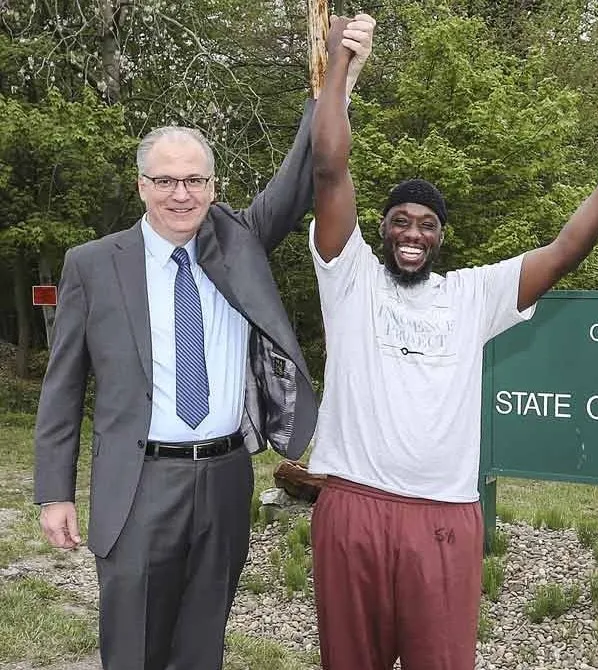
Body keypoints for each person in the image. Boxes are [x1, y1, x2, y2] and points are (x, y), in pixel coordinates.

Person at [31, 17, 375, 670]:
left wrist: (337, 83)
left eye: (195, 180)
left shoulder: (237, 244)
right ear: (141, 186)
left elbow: (301, 174)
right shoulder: (93, 265)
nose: (181, 194)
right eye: (165, 181)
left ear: (214, 187)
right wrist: (55, 492)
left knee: (200, 648)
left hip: (223, 480)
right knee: (133, 648)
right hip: (136, 484)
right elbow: (63, 386)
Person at [306, 17, 598, 670]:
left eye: (426, 224)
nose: (412, 232)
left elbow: (565, 250)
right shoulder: (348, 278)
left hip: (443, 520)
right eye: (399, 221)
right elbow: (328, 165)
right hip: (353, 507)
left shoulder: (471, 294)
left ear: (441, 237)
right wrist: (340, 66)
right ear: (380, 231)